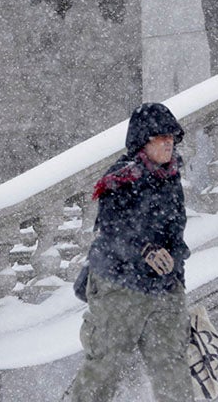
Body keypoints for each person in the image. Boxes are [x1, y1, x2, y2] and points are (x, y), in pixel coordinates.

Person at [63, 102, 190, 402]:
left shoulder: (171, 179)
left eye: (171, 136)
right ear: (142, 143)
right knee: (104, 368)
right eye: (160, 137)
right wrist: (144, 250)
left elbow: (177, 232)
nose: (168, 141)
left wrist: (177, 270)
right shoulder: (122, 178)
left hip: (163, 289)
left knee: (172, 369)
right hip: (119, 286)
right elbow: (111, 231)